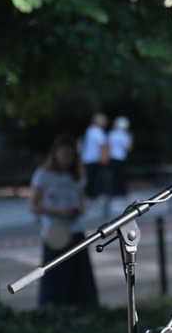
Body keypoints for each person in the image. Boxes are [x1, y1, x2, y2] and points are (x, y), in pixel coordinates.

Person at [30, 134, 98, 307]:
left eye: (70, 155)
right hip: (54, 233)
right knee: (55, 279)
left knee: (78, 278)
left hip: (74, 230)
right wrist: (59, 212)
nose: (67, 159)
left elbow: (82, 205)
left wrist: (75, 212)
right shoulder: (43, 175)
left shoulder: (76, 176)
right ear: (55, 154)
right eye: (64, 154)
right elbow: (34, 206)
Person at [80, 112, 109, 210]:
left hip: (90, 159)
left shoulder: (90, 130)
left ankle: (91, 199)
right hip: (93, 159)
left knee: (91, 180)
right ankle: (91, 199)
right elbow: (103, 144)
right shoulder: (95, 131)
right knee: (92, 180)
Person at [107, 115, 133, 213]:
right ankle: (119, 198)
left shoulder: (111, 134)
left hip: (111, 159)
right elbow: (128, 148)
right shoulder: (124, 135)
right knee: (120, 179)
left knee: (113, 179)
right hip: (120, 159)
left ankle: (113, 198)